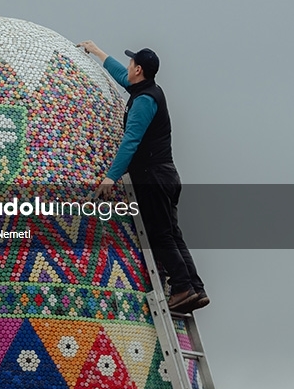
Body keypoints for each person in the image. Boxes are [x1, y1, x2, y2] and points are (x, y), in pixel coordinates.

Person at [76, 41, 209, 313]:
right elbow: (123, 78)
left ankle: (182, 287)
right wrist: (97, 51)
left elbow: (131, 141)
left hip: (154, 177)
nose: (127, 68)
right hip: (166, 175)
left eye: (130, 63)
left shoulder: (144, 102)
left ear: (139, 69)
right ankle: (195, 289)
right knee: (173, 234)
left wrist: (110, 177)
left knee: (160, 235)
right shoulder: (147, 90)